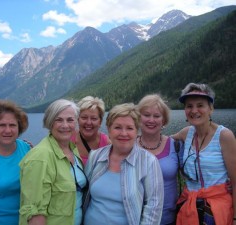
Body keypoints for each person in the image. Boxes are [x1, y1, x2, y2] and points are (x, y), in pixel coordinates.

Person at [83, 103, 164, 225]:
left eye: (130, 128)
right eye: (117, 127)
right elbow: (84, 193)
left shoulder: (148, 162)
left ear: (137, 131)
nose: (124, 133)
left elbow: (154, 208)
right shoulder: (95, 156)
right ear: (109, 129)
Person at [172, 83, 236, 225]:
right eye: (189, 106)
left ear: (211, 109)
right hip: (191, 206)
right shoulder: (186, 133)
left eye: (200, 105)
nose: (194, 110)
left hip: (218, 209)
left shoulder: (224, 136)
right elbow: (160, 142)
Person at [19, 99, 87, 225]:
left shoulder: (73, 149)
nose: (65, 125)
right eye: (58, 120)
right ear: (50, 122)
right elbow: (35, 212)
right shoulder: (40, 157)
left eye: (70, 120)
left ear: (76, 122)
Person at [137, 94, 178, 225]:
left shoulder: (175, 145)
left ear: (163, 120)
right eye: (146, 115)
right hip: (134, 218)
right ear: (138, 118)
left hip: (169, 219)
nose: (151, 120)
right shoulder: (128, 146)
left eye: (157, 116)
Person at [71, 96, 111, 165]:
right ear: (78, 119)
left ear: (100, 121)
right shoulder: (68, 140)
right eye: (84, 117)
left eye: (94, 118)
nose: (88, 122)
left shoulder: (107, 144)